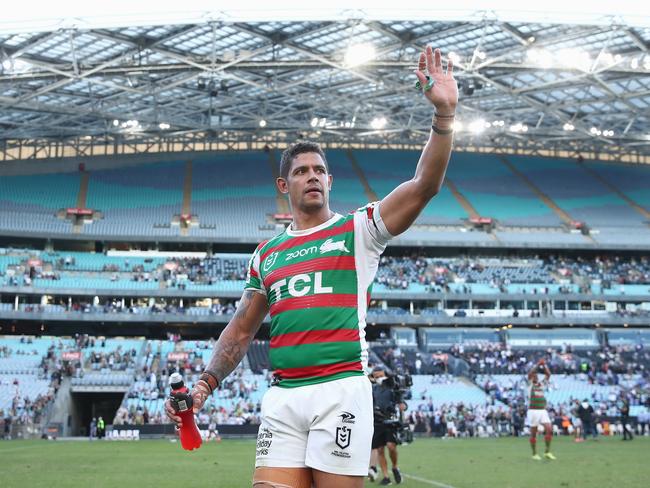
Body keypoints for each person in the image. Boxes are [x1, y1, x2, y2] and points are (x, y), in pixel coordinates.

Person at [166, 44, 458, 488]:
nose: (314, 176)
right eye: (302, 171)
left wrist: (444, 118)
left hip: (340, 391)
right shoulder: (267, 254)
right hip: (283, 395)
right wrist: (205, 385)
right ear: (285, 184)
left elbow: (424, 186)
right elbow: (241, 330)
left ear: (330, 180)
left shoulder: (358, 231)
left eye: (320, 169)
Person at [369, 367, 403, 485]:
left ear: (386, 375)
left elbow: (401, 401)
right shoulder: (373, 389)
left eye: (380, 376)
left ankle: (395, 467)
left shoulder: (392, 387)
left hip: (390, 421)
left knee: (391, 446)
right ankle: (386, 476)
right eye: (376, 377)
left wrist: (402, 406)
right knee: (379, 450)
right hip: (377, 422)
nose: (378, 379)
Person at [527, 359, 556, 460]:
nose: (535, 376)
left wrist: (544, 365)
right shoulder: (529, 385)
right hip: (533, 411)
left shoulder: (541, 385)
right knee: (533, 433)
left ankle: (547, 452)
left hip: (542, 410)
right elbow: (530, 373)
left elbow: (548, 374)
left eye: (536, 375)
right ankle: (534, 453)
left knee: (549, 429)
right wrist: (538, 364)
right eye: (534, 375)